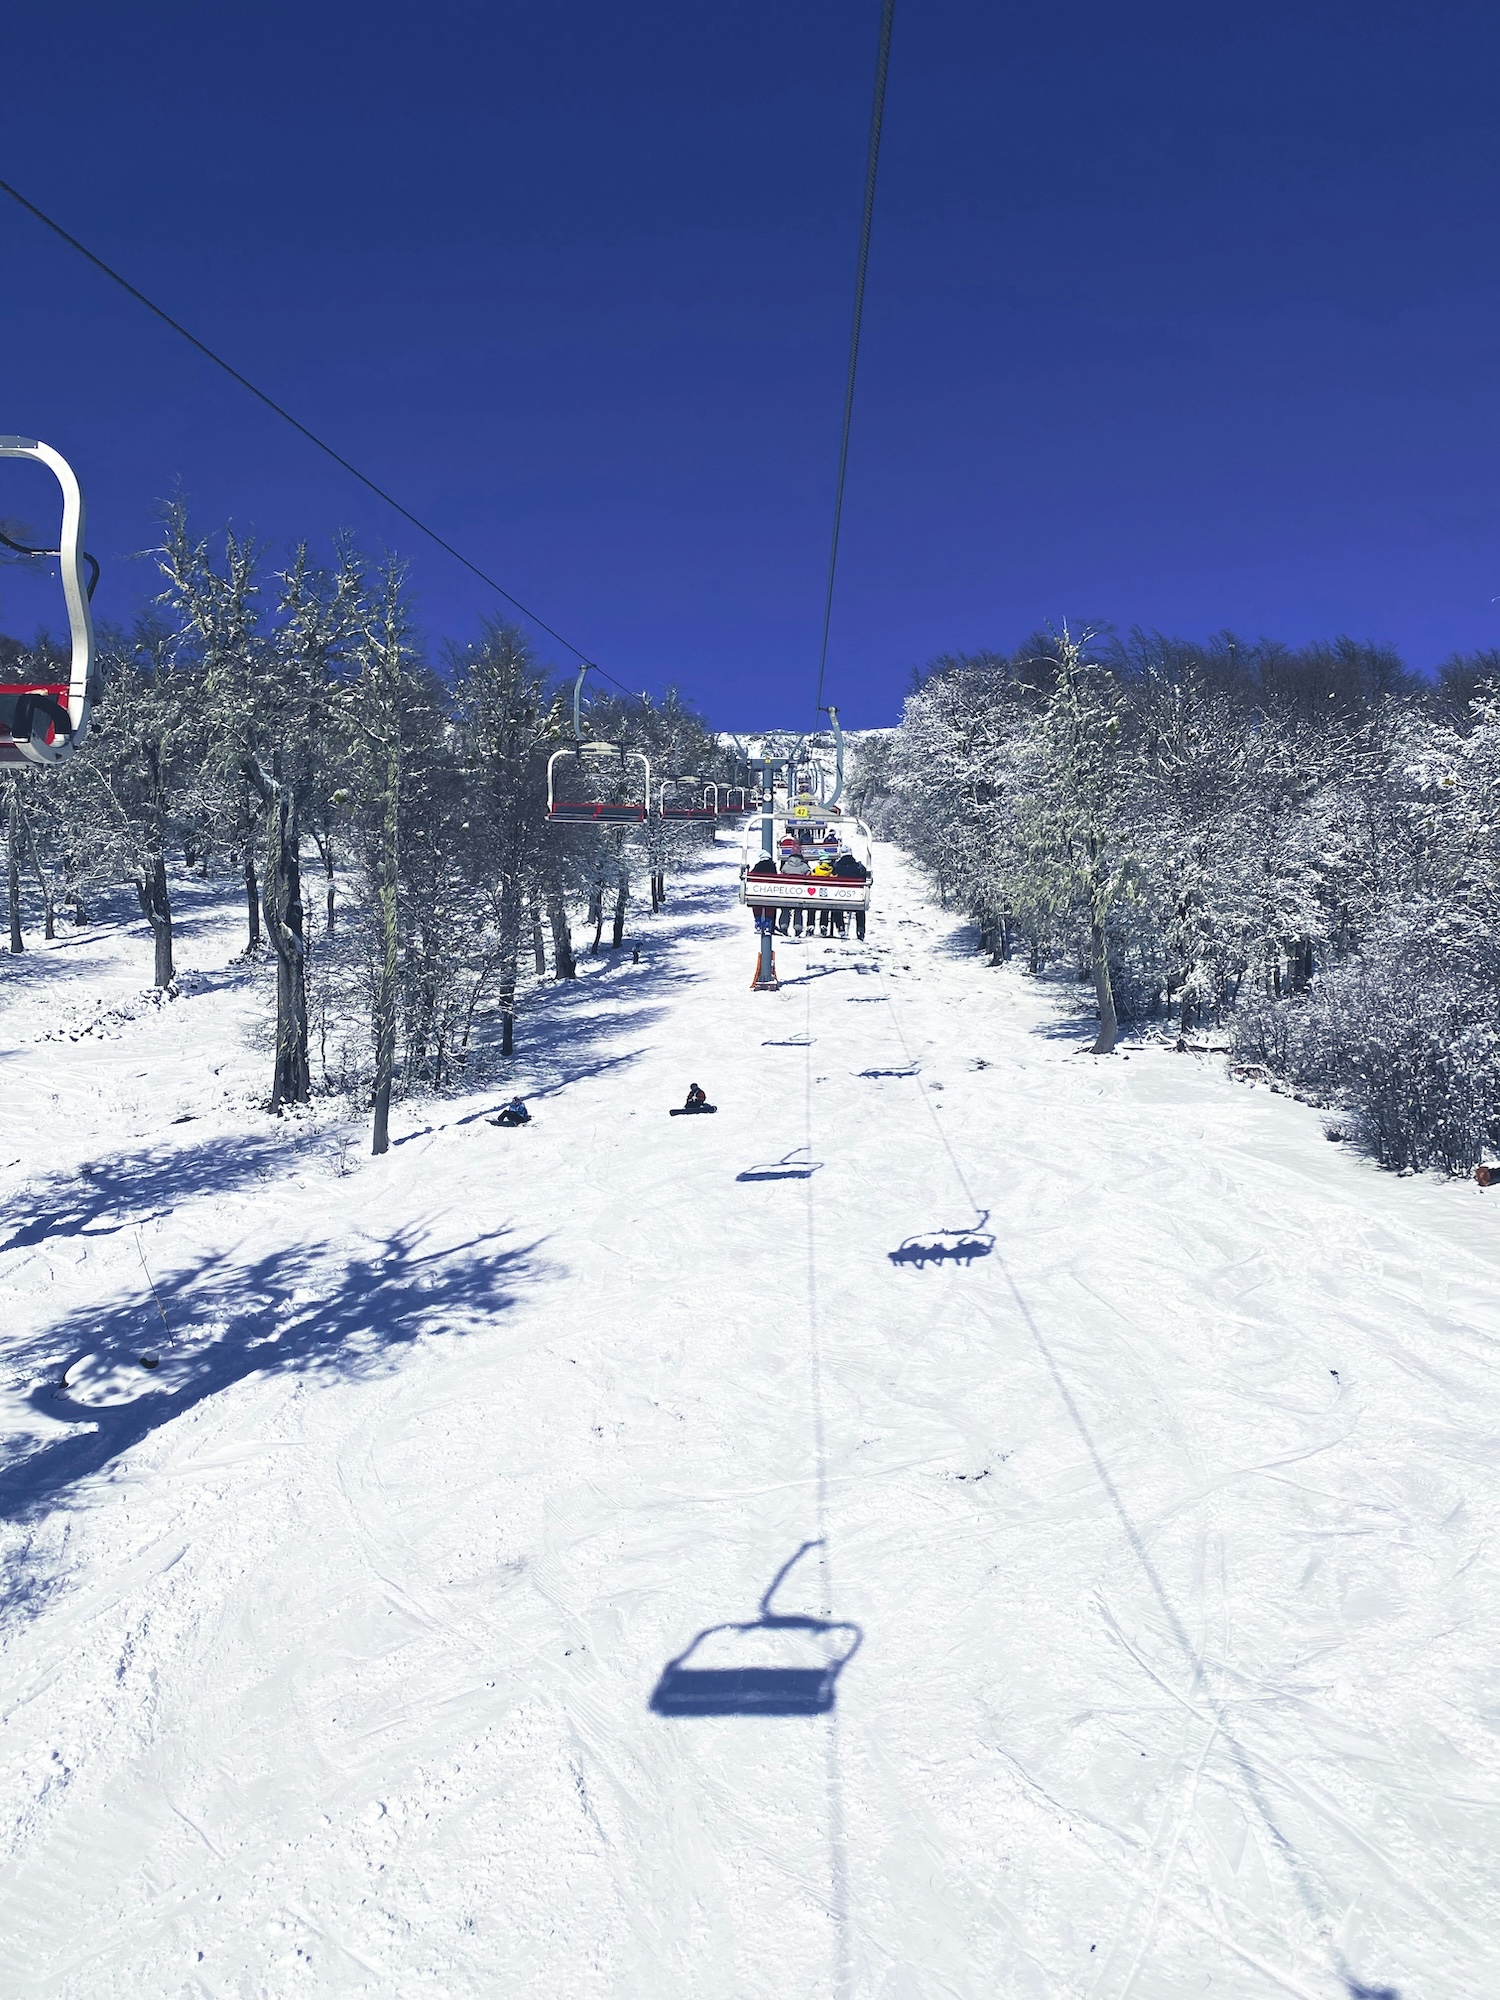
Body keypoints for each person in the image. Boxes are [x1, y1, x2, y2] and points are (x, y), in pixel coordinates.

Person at [832, 849, 869, 940]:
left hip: (840, 895)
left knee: (836, 905)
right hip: (855, 896)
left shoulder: (837, 866)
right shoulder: (859, 867)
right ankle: (860, 929)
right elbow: (867, 879)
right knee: (860, 909)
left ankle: (840, 926)